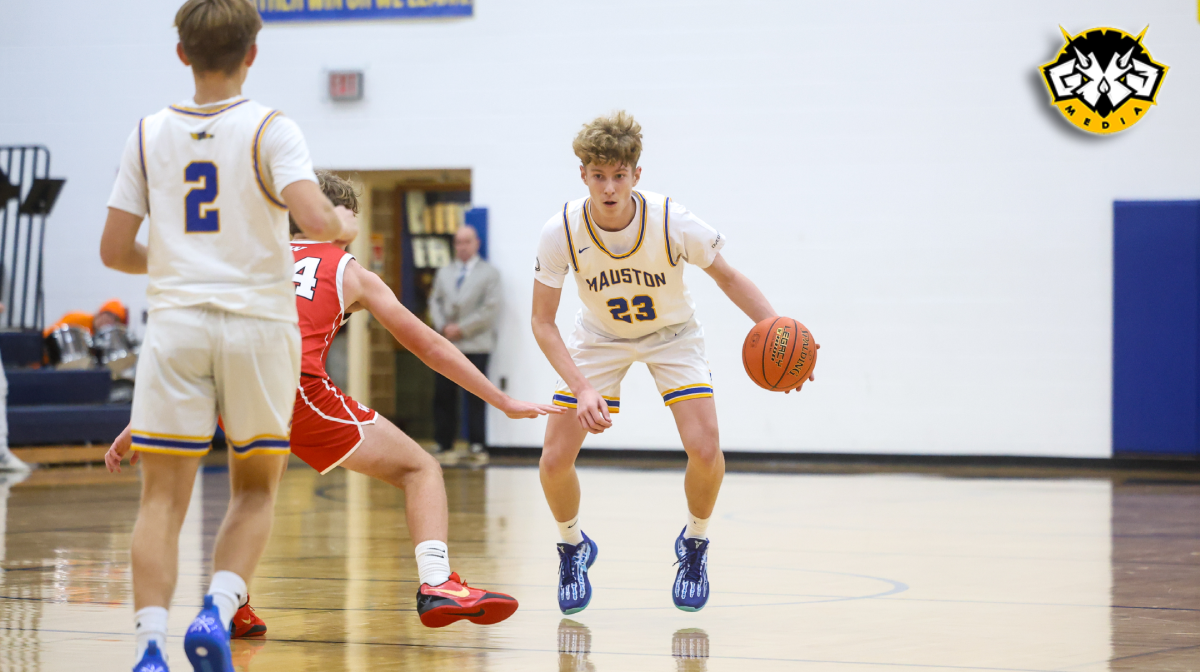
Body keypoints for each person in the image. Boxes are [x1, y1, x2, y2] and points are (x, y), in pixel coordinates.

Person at [106, 171, 564, 633]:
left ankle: (229, 605)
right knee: (420, 469)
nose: (355, 223)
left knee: (252, 497)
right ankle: (437, 582)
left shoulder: (252, 255)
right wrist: (501, 399)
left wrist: (144, 419)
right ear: (329, 216)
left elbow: (198, 340)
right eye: (351, 212)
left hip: (229, 389)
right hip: (293, 389)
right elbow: (429, 345)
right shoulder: (347, 269)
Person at [99, 2, 352, 671]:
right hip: (256, 329)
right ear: (252, 53)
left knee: (160, 500)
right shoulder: (270, 128)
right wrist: (342, 227)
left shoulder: (147, 134)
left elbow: (114, 250)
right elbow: (315, 219)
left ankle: (149, 649)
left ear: (182, 53)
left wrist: (182, 260)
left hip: (177, 328)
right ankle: (216, 607)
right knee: (255, 488)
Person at [530, 111, 817, 614]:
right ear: (583, 176)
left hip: (673, 336)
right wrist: (582, 387)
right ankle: (572, 546)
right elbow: (542, 322)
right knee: (553, 461)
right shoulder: (561, 232)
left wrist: (781, 336)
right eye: (599, 175)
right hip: (599, 338)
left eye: (619, 175)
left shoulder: (671, 221)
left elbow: (728, 277)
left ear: (636, 174)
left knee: (705, 449)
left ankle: (695, 543)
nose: (609, 187)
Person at [429, 225, 502, 457]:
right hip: (446, 345)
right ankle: (444, 442)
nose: (462, 247)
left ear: (476, 243)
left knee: (476, 396)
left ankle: (477, 443)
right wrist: (443, 327)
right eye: (458, 242)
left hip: (476, 344)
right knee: (444, 395)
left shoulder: (489, 273)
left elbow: (489, 309)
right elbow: (434, 301)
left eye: (467, 242)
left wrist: (461, 328)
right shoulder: (444, 272)